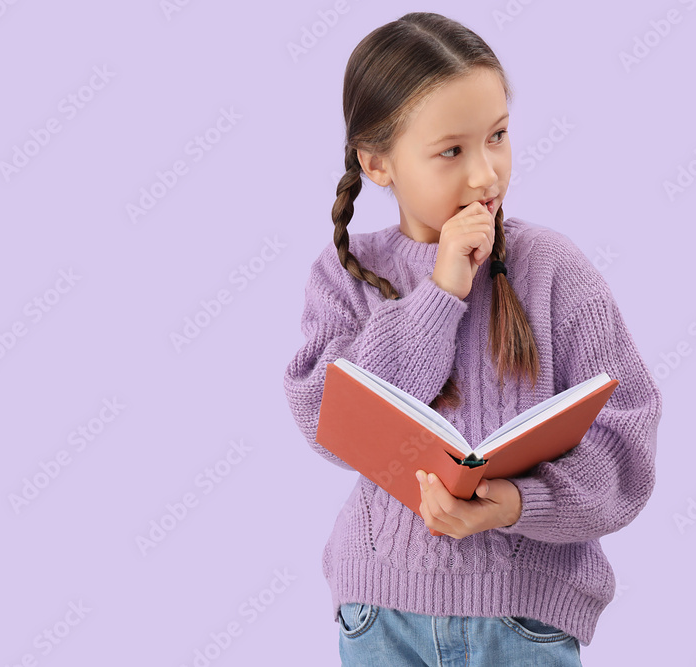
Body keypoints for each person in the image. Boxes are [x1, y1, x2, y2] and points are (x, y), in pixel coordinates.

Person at [283, 11, 662, 666]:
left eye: (498, 136)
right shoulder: (343, 274)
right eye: (452, 151)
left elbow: (627, 442)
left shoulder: (554, 270)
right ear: (377, 162)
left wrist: (516, 502)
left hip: (524, 616)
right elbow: (328, 419)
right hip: (381, 613)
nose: (486, 174)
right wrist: (441, 293)